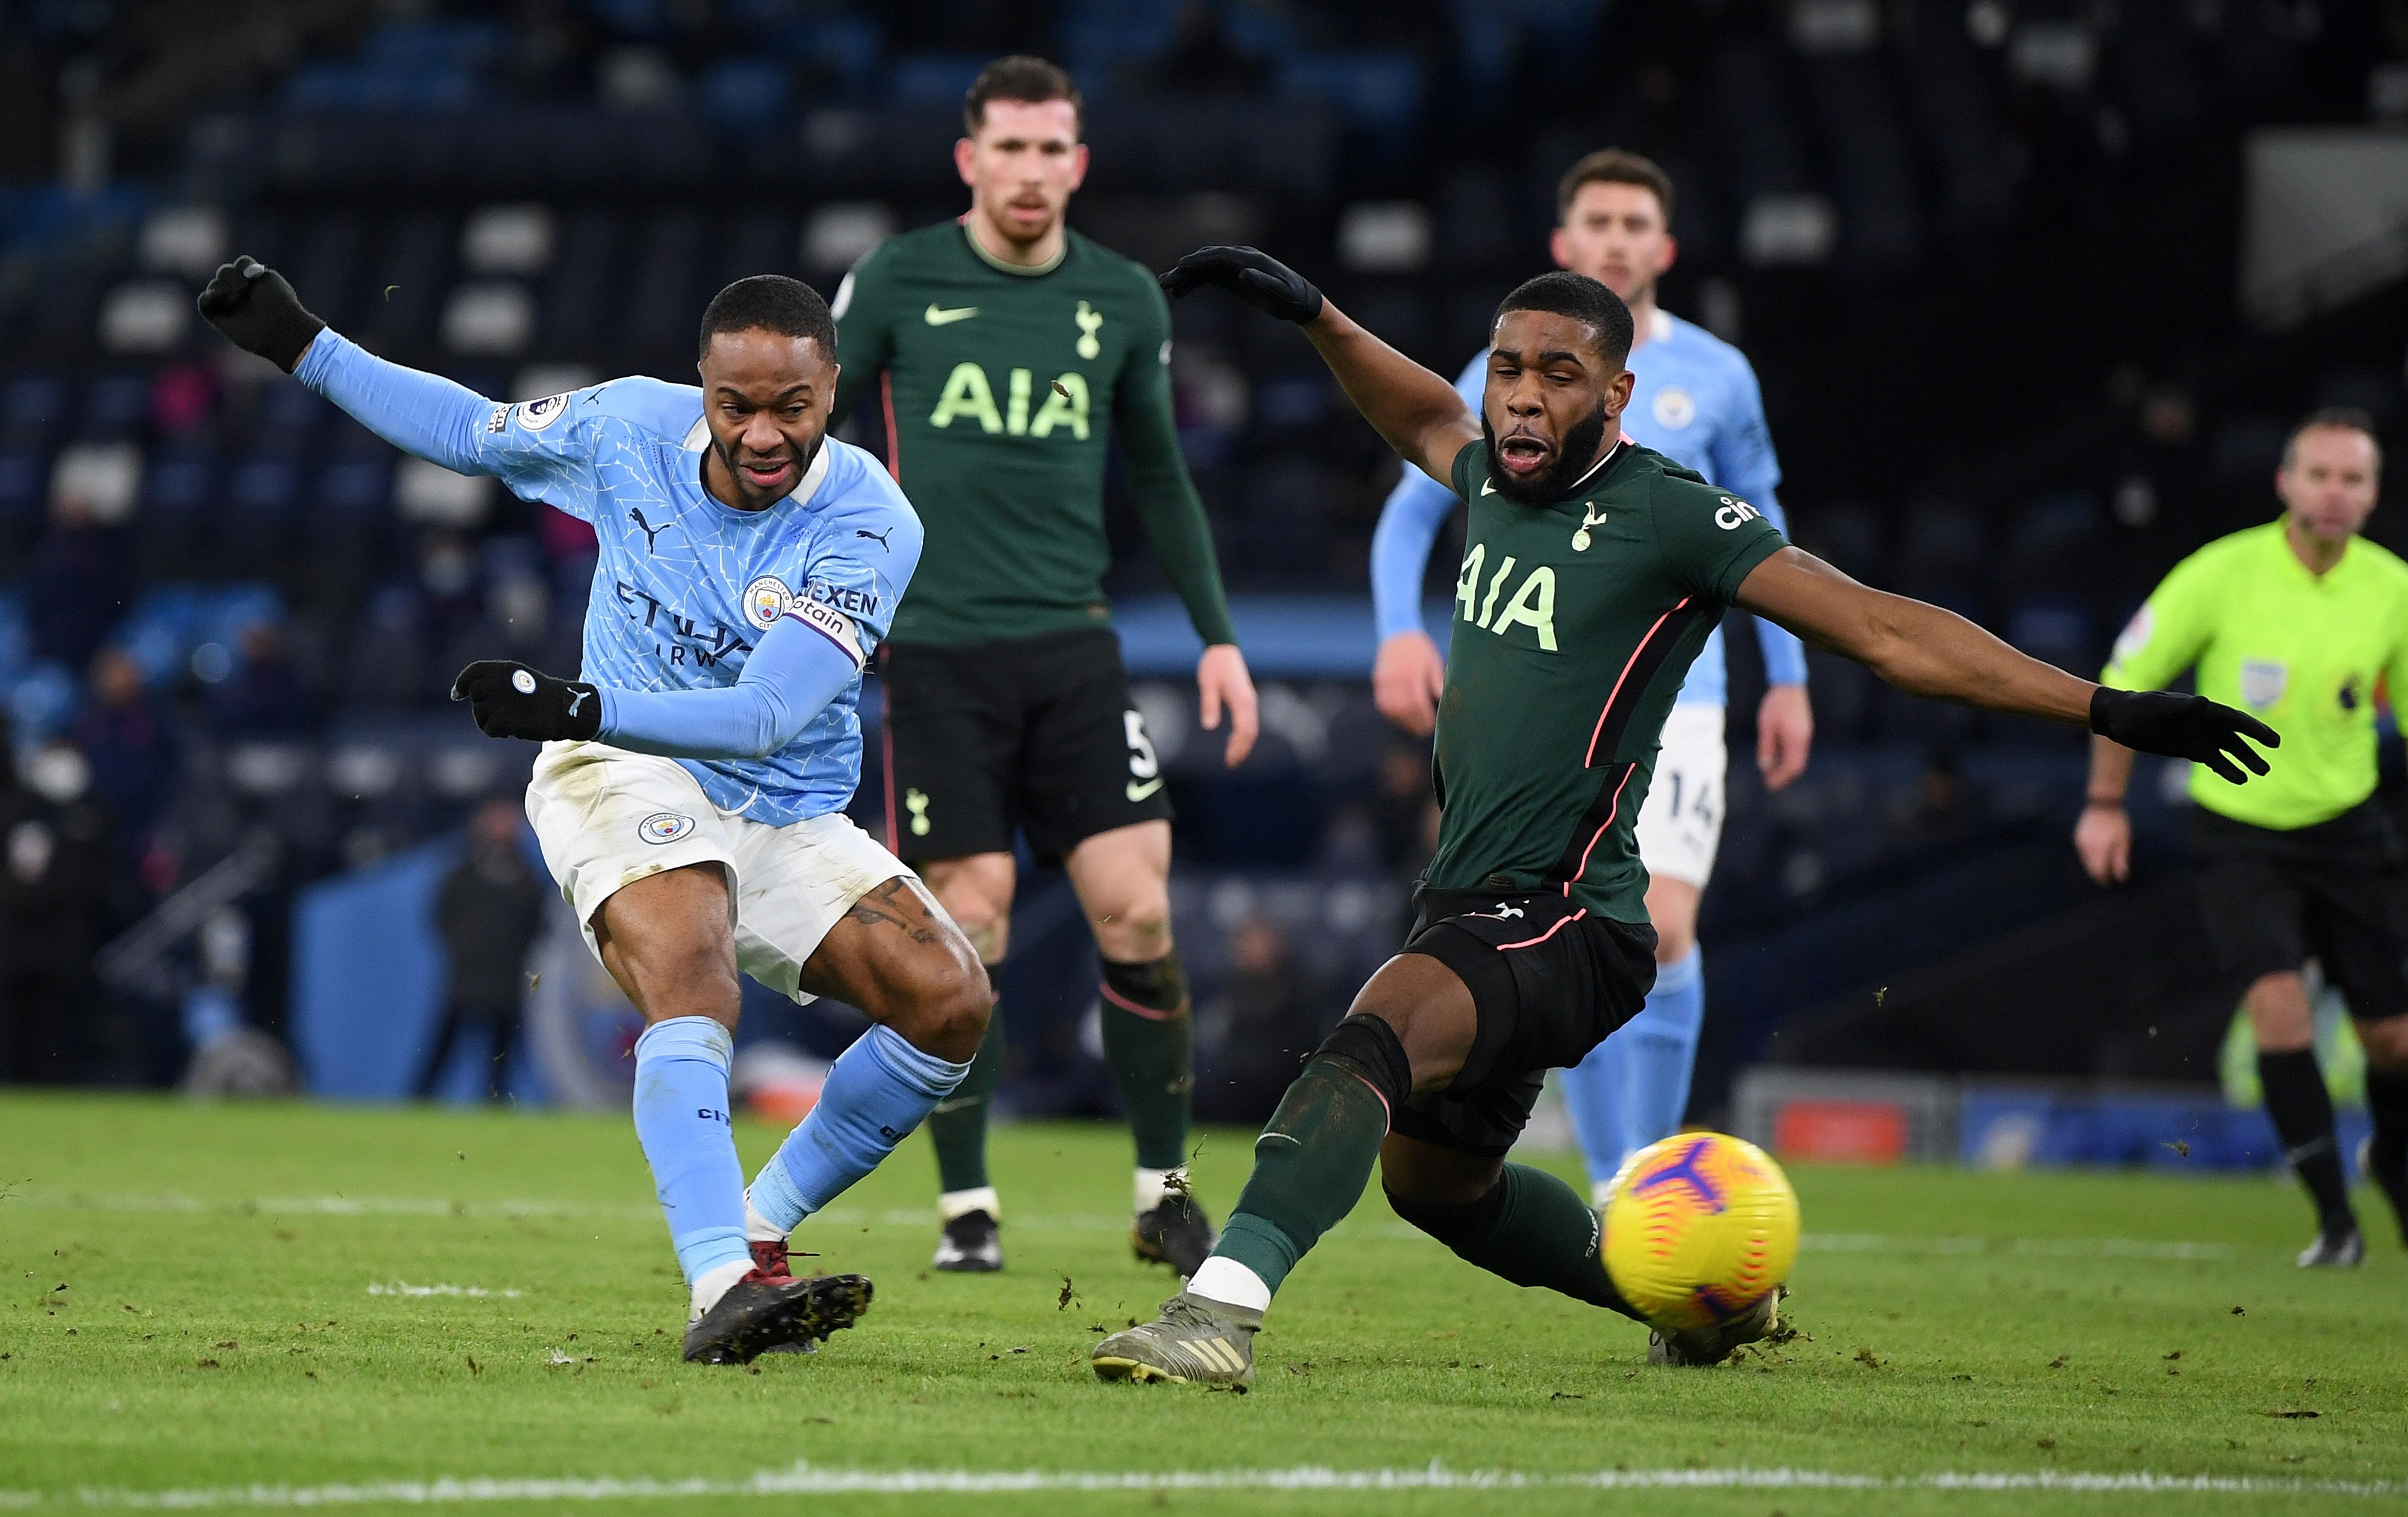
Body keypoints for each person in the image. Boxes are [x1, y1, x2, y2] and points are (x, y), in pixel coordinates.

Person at [1090, 247, 2277, 1386]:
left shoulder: (1669, 517)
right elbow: (1420, 416)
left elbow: (1880, 629)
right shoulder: (1489, 477)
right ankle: (1700, 1305)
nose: (1522, 395)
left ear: (1616, 395)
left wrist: (2102, 708)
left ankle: (1217, 1317)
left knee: (1372, 1040)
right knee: (1437, 1188)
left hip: (1570, 914)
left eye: (1559, 375)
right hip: (1470, 901)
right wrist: (1316, 315)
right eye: (1507, 369)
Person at [198, 256, 991, 1366]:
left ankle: (759, 1226)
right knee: (695, 971)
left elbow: (766, 714)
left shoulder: (869, 521)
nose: (765, 434)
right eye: (738, 406)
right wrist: (303, 345)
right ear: (703, 388)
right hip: (619, 768)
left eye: (793, 407)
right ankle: (723, 1285)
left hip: (777, 800)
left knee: (950, 1002)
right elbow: (470, 432)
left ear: (831, 390)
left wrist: (576, 698)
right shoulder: (624, 428)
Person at [828, 55, 1259, 1276]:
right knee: (970, 922)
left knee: (1136, 904)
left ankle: (1163, 1194)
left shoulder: (1122, 299)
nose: (1030, 171)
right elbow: (813, 431)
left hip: (1072, 645)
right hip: (937, 650)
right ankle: (967, 1209)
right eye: (1009, 149)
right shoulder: (897, 278)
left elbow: (1160, 474)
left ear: (1079, 162)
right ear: (969, 160)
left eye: (1050, 148)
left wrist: (1218, 635)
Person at [1370, 149, 1811, 1201]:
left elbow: (1769, 531)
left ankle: (1646, 1170)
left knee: (1667, 926)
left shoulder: (1719, 375)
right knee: (1565, 921)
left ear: (1666, 247)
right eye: (1598, 223)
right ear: (1564, 242)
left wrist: (1787, 677)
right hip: (1552, 700)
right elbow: (1410, 511)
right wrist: (1396, 632)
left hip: (1683, 698)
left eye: (1635, 224)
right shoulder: (1512, 368)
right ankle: (1620, 1182)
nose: (1616, 240)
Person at [2077, 408, 2408, 1267]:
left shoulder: (2393, 590)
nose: (2334, 493)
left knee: (2392, 1040)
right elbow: (2126, 682)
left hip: (2350, 832)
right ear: (2285, 483)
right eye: (2319, 474)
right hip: (2238, 832)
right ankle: (2335, 1222)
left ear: (2373, 494)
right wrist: (2105, 804)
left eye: (2352, 479)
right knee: (2278, 1003)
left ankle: (2391, 1157)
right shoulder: (2220, 573)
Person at [415, 796, 547, 1102]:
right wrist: (467, 948)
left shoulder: (526, 877)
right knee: (444, 1047)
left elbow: (537, 923)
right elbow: (443, 917)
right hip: (467, 977)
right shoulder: (463, 873)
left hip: (506, 979)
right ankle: (420, 1100)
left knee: (502, 1051)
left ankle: (494, 1102)